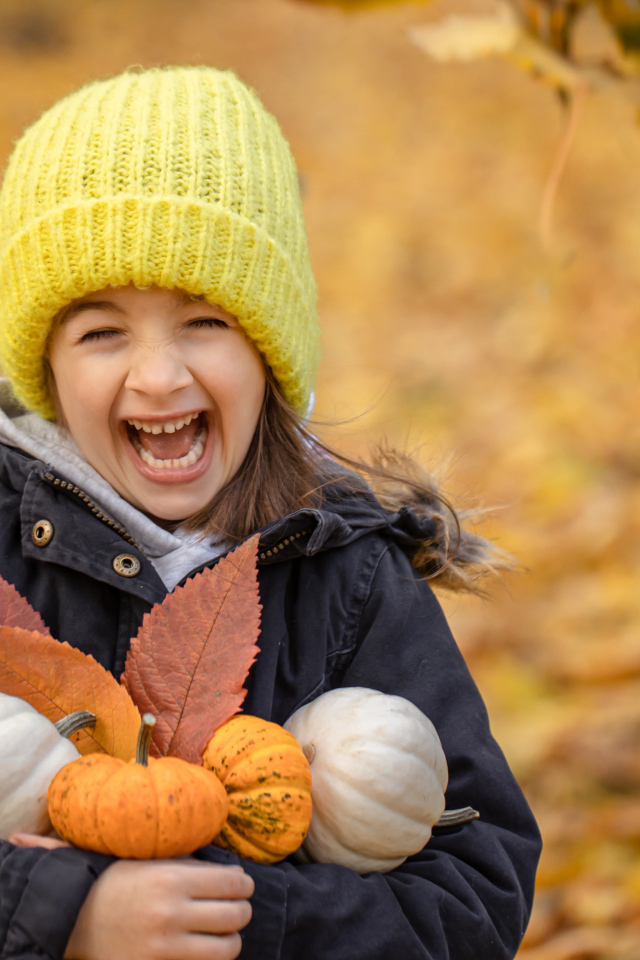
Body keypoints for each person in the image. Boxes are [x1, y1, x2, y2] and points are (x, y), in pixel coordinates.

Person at [0, 67, 541, 960]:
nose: (159, 376)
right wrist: (67, 915)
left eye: (204, 320)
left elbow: (476, 891)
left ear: (269, 347)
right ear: (49, 373)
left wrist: (238, 917)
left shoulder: (350, 576)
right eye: (102, 332)